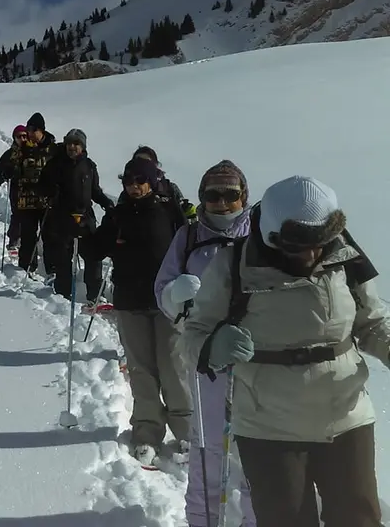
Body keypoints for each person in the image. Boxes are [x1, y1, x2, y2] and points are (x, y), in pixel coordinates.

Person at [181, 175, 390, 527]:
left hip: (346, 415)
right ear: (272, 235)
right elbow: (193, 333)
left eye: (319, 244)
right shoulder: (233, 266)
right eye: (297, 246)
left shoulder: (344, 257)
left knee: (359, 519)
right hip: (268, 426)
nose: (310, 255)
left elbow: (371, 322)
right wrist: (213, 345)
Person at [155, 160, 255, 527]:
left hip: (255, 359)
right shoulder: (189, 237)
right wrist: (174, 296)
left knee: (256, 454)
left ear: (243, 195)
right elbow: (163, 292)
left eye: (231, 195)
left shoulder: (259, 234)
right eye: (213, 196)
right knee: (208, 453)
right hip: (204, 360)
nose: (222, 203)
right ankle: (203, 521)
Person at [92, 156, 192, 467]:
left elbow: (189, 247)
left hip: (167, 303)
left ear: (152, 181)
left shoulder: (168, 211)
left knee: (174, 367)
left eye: (140, 180)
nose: (134, 187)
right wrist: (90, 234)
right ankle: (147, 434)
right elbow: (94, 250)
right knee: (142, 370)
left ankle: (187, 433)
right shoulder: (118, 214)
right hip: (130, 302)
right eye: (128, 181)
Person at [40, 128, 114, 304]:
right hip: (61, 218)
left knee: (93, 256)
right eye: (69, 143)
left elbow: (94, 191)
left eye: (76, 143)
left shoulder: (89, 166)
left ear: (83, 146)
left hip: (85, 218)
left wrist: (106, 202)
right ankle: (63, 296)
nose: (72, 147)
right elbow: (41, 186)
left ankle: (94, 296)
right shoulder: (55, 164)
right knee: (63, 259)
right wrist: (50, 192)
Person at [10, 112, 57, 276]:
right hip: (26, 199)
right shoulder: (22, 147)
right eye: (28, 129)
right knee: (28, 236)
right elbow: (11, 163)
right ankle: (26, 268)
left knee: (49, 237)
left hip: (46, 200)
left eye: (32, 129)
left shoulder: (53, 148)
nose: (29, 133)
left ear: (41, 130)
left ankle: (52, 271)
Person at [119, 146, 194, 231]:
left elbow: (185, 213)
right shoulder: (128, 192)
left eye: (146, 162)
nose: (142, 164)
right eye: (138, 160)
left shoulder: (170, 188)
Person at [0, 125, 28, 252]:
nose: (22, 139)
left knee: (28, 218)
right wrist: (1, 177)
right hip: (16, 189)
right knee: (17, 215)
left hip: (31, 189)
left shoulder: (31, 151)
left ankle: (25, 242)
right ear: (14, 138)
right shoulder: (10, 154)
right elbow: (0, 169)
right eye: (19, 136)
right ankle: (13, 240)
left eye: (25, 136)